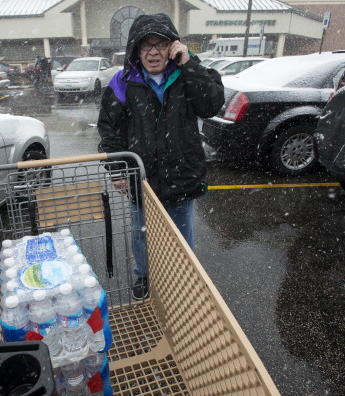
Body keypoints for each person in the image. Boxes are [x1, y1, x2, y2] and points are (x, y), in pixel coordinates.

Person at [97, 13, 225, 300]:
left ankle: (183, 276)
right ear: (135, 49)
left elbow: (211, 105)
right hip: (142, 177)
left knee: (182, 233)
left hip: (183, 173)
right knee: (142, 232)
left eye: (160, 44)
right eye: (145, 45)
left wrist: (188, 63)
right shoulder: (122, 82)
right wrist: (118, 169)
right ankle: (145, 276)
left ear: (173, 46)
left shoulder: (189, 73)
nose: (153, 52)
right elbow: (110, 128)